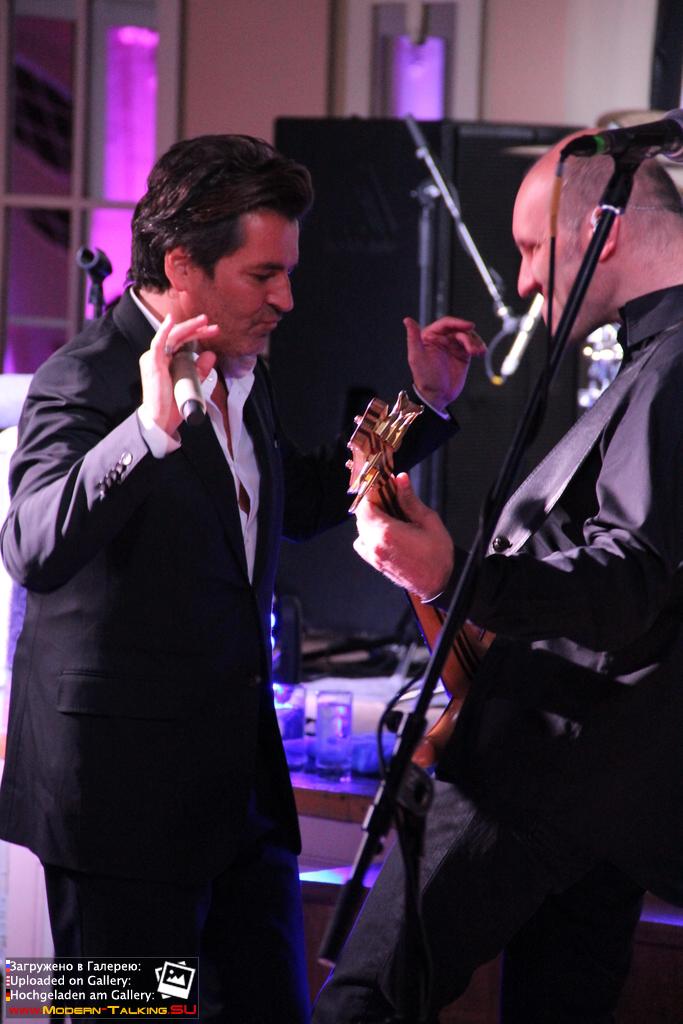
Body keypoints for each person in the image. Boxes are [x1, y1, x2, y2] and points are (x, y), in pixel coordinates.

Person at [0, 134, 484, 1023]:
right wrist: (147, 431)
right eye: (264, 276)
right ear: (182, 266)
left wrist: (421, 408)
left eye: (286, 274)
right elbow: (30, 545)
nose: (286, 299)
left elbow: (297, 497)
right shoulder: (84, 377)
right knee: (121, 1018)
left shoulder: (241, 368)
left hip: (240, 803)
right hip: (116, 814)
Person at [313, 138, 683, 1023]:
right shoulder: (652, 362)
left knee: (362, 1004)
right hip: (604, 788)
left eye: (528, 248)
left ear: (604, 229)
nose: (521, 283)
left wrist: (454, 576)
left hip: (543, 765)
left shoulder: (671, 367)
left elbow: (627, 583)